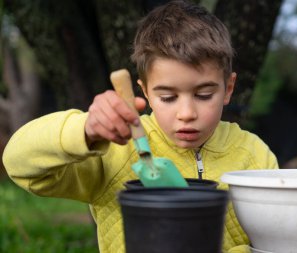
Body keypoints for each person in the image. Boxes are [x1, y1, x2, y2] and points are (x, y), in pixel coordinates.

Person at [2, 1, 278, 252]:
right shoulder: (115, 152)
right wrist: (84, 130)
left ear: (228, 88)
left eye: (204, 95)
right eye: (167, 97)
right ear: (145, 92)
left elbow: (277, 240)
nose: (186, 113)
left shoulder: (253, 156)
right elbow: (18, 163)